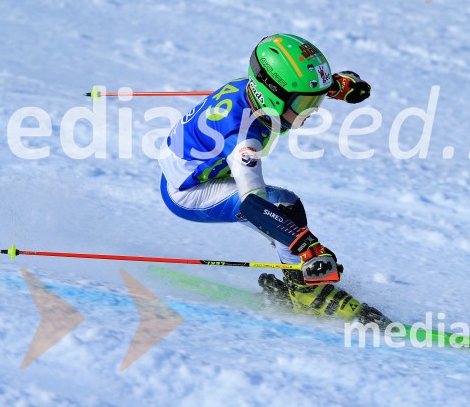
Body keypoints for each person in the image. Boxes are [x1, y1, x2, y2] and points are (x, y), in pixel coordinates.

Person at [159, 33, 378, 321]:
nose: (312, 112)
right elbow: (253, 203)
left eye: (316, 101)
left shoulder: (259, 93)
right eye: (304, 104)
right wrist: (304, 243)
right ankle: (303, 293)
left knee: (285, 210)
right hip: (188, 190)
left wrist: (336, 86)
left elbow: (293, 85)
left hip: (195, 165)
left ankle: (297, 281)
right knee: (283, 207)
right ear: (272, 98)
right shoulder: (243, 140)